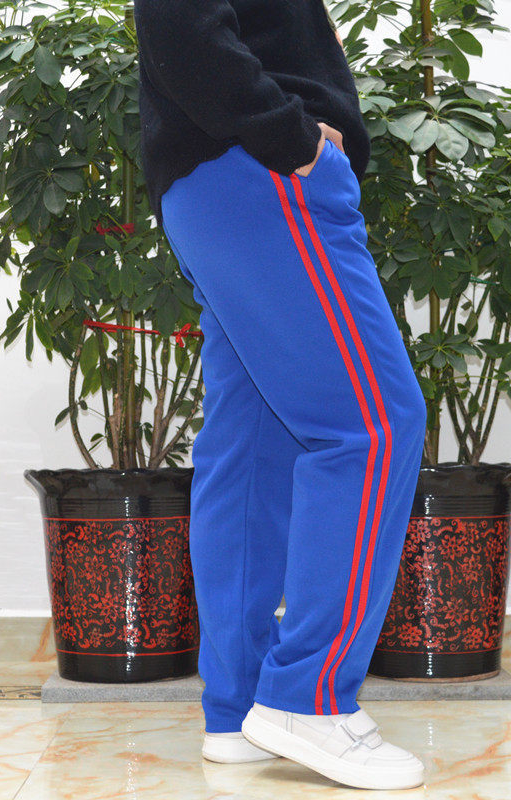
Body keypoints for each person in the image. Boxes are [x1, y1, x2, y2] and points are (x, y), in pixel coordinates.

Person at [133, 0, 427, 790]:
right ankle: (309, 697)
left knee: (253, 450)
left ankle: (239, 711)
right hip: (260, 173)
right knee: (374, 427)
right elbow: (182, 26)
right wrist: (291, 137)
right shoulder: (271, 150)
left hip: (218, 181)